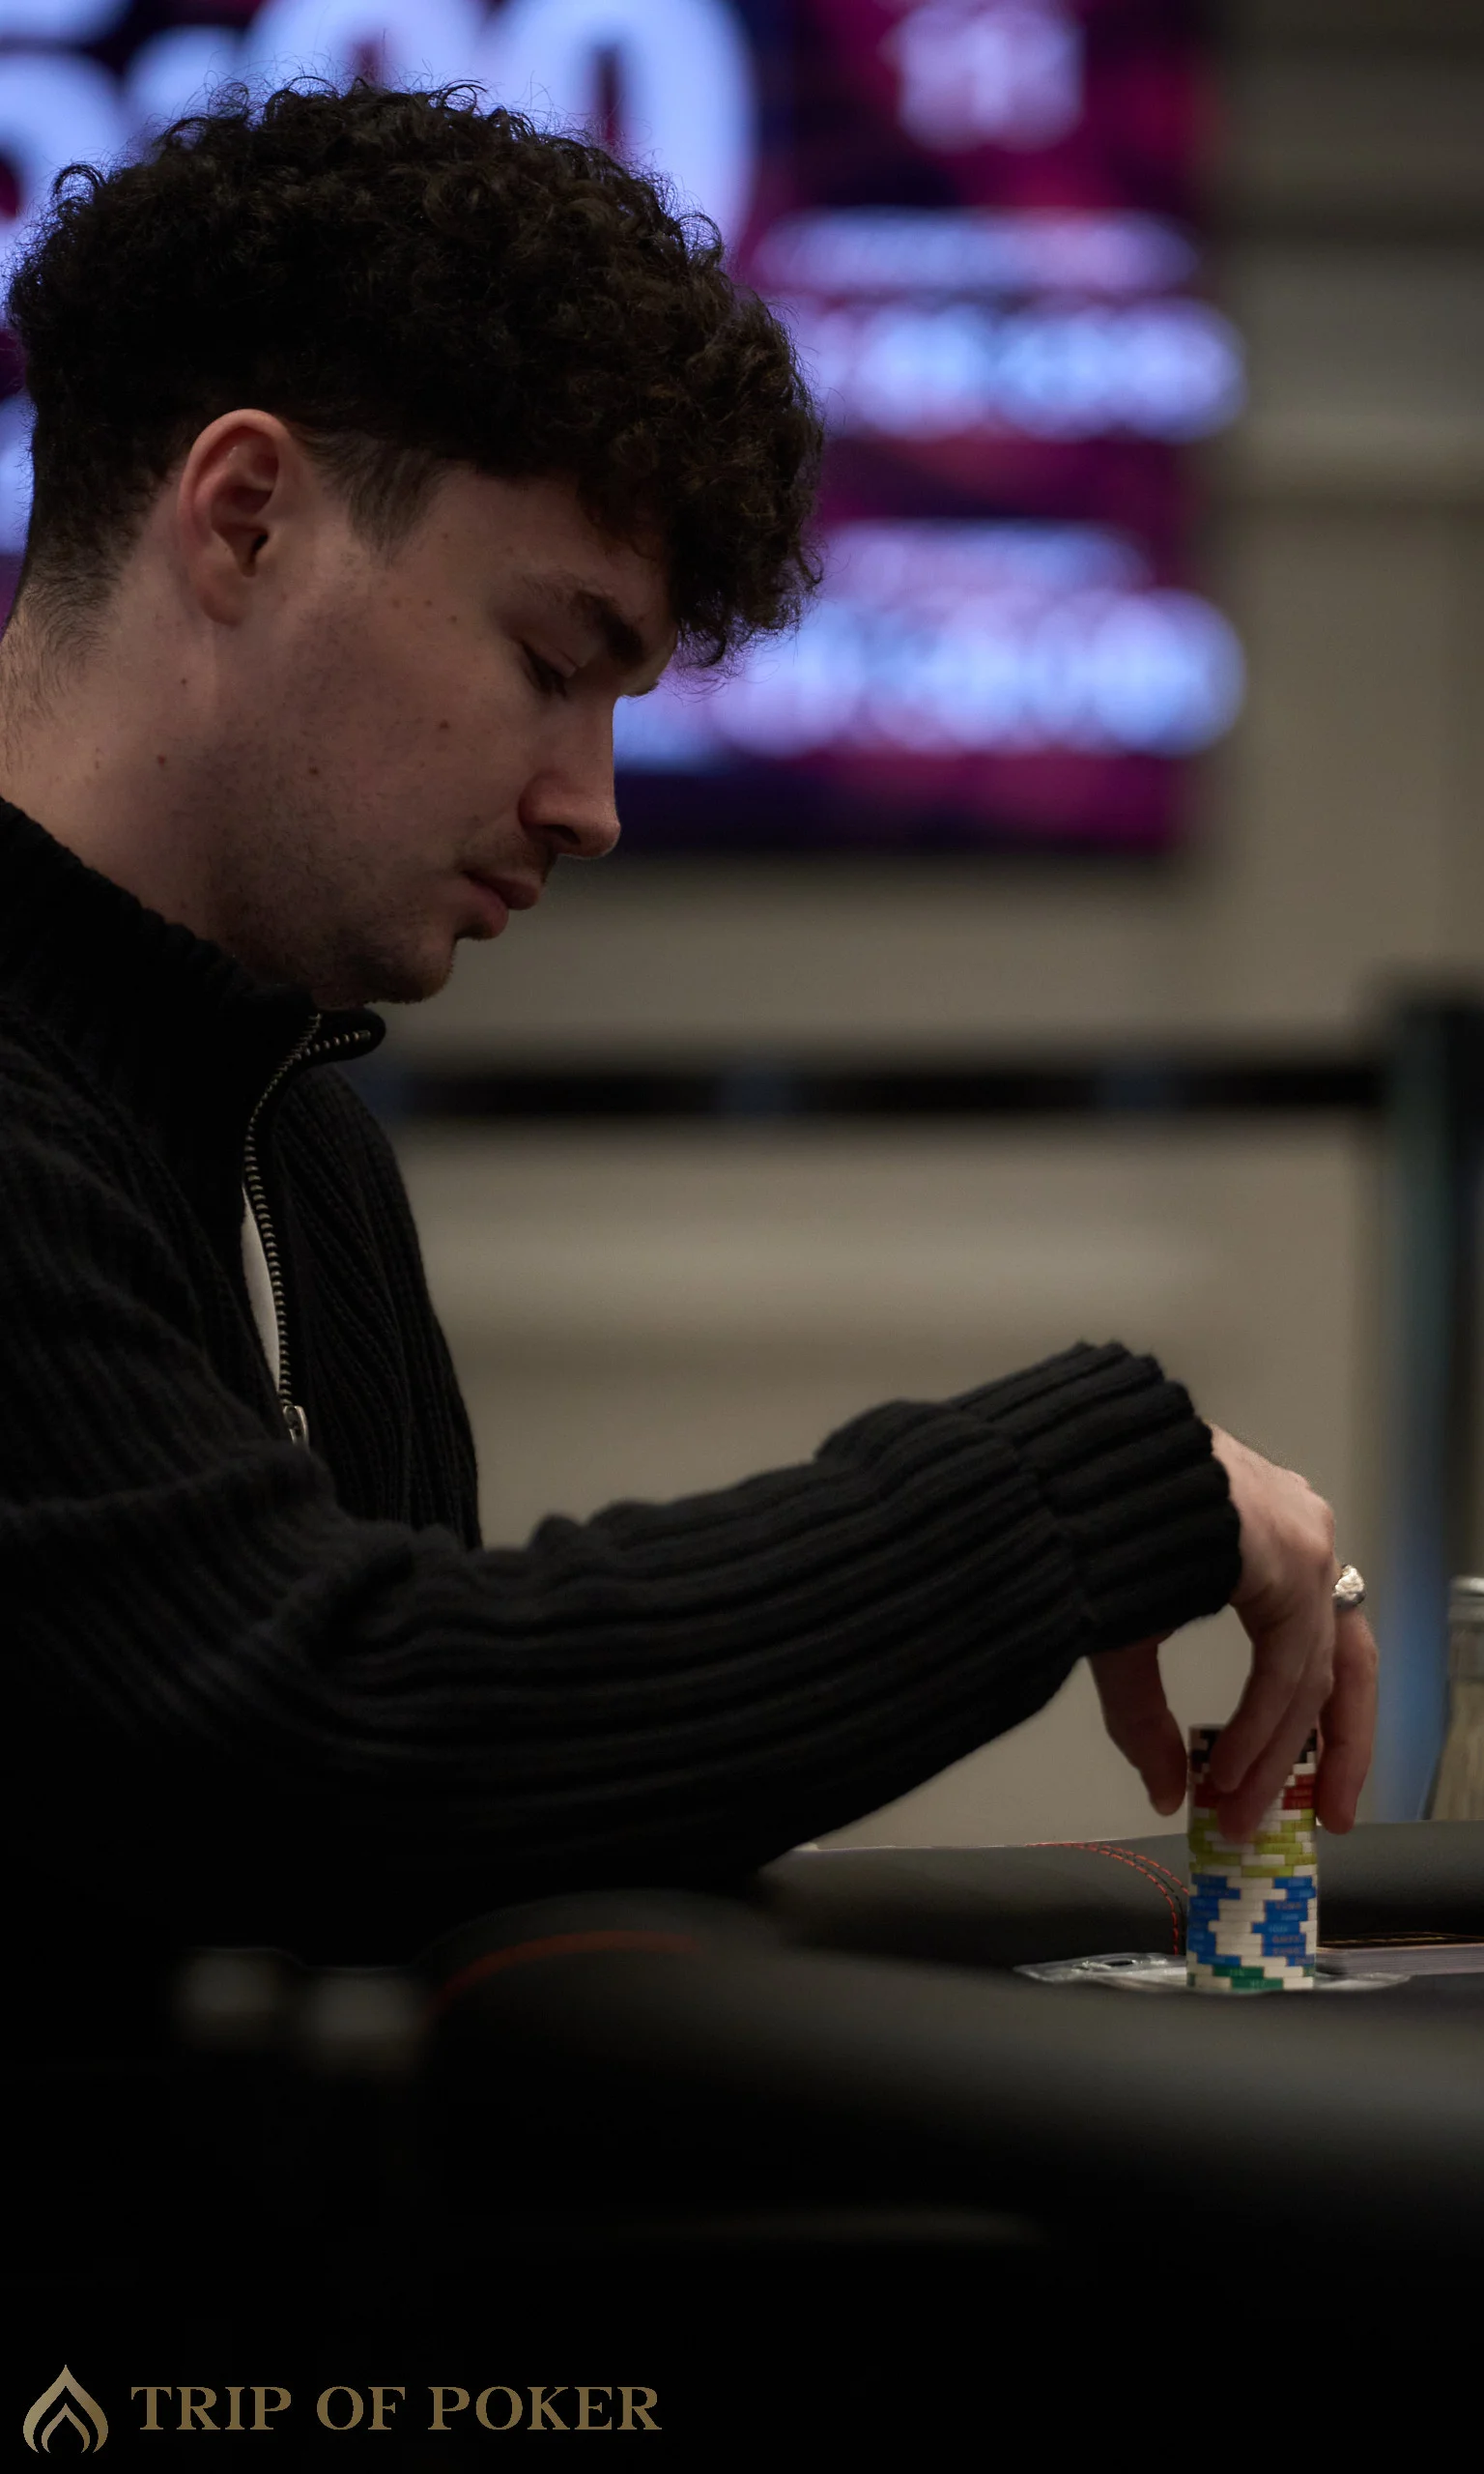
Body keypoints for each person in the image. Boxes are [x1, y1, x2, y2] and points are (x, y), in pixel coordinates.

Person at [0, 81, 1377, 2041]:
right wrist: (1088, 1495)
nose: (593, 803)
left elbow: (437, 1854)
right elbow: (344, 1736)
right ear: (247, 517)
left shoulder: (298, 1145)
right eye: (552, 662)